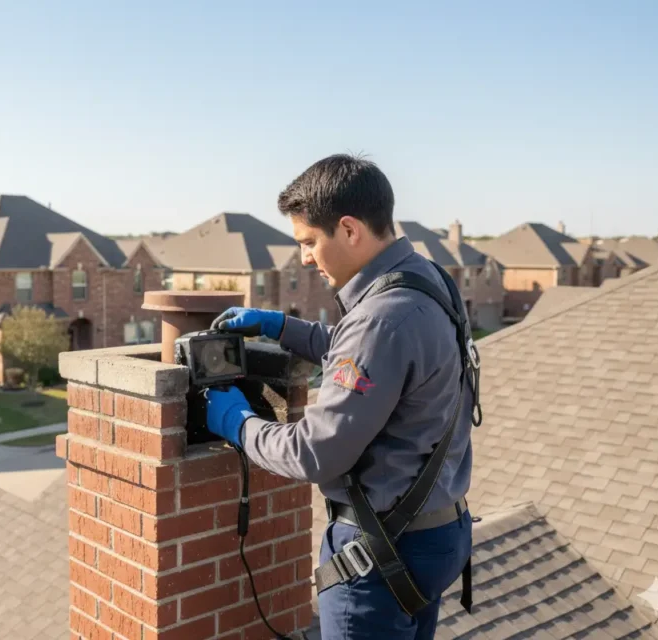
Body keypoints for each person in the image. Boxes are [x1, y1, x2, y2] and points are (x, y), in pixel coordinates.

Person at [204, 154, 477, 639]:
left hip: (381, 550)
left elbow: (315, 452)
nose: (305, 258)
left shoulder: (379, 318)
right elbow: (384, 367)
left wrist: (238, 424)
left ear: (349, 230)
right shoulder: (429, 279)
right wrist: (283, 328)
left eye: (310, 242)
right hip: (440, 533)